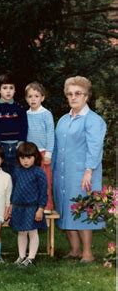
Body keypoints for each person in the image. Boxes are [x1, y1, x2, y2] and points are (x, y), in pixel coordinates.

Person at [53, 76, 106, 263]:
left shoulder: (94, 121)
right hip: (63, 174)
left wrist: (89, 171)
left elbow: (95, 147)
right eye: (70, 94)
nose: (73, 97)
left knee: (83, 211)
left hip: (83, 174)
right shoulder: (62, 120)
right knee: (66, 209)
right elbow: (57, 148)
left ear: (86, 96)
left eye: (78, 93)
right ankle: (74, 250)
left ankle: (87, 253)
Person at [10, 142, 48, 267]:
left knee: (32, 232)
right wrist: (11, 204)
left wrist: (40, 208)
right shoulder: (16, 171)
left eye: (29, 158)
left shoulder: (39, 172)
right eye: (22, 158)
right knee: (21, 232)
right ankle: (21, 256)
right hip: (18, 207)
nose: (25, 161)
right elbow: (14, 188)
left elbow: (43, 192)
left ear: (35, 157)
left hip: (33, 207)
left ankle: (31, 258)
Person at [0, 73, 28, 174]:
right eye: (5, 88)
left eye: (11, 88)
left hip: (16, 146)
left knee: (16, 173)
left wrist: (21, 142)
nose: (8, 91)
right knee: (1, 174)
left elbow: (24, 126)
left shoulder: (19, 108)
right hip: (1, 147)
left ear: (15, 90)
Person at [25, 82, 55, 213]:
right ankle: (33, 204)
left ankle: (47, 205)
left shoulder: (46, 114)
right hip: (30, 153)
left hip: (43, 152)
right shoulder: (25, 114)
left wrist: (48, 154)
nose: (33, 99)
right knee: (31, 180)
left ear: (42, 98)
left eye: (36, 96)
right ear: (26, 98)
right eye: (30, 96)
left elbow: (50, 134)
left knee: (45, 180)